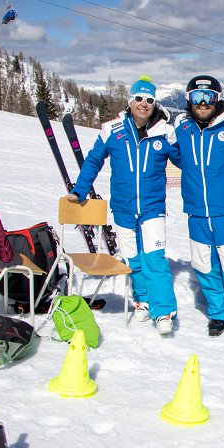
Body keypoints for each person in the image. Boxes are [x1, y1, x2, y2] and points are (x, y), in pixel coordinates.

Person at [68, 76, 179, 335]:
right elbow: (94, 160)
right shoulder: (112, 129)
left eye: (149, 100)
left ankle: (163, 311)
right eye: (139, 98)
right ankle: (143, 300)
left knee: (154, 257)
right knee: (132, 258)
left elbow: (186, 162)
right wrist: (80, 190)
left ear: (154, 103)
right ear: (130, 101)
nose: (144, 104)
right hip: (122, 207)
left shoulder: (165, 131)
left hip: (152, 207)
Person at [172, 75, 224, 340]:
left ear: (218, 100)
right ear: (188, 100)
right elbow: (173, 153)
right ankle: (218, 314)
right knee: (204, 266)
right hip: (196, 212)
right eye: (197, 97)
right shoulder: (182, 128)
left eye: (209, 97)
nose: (203, 102)